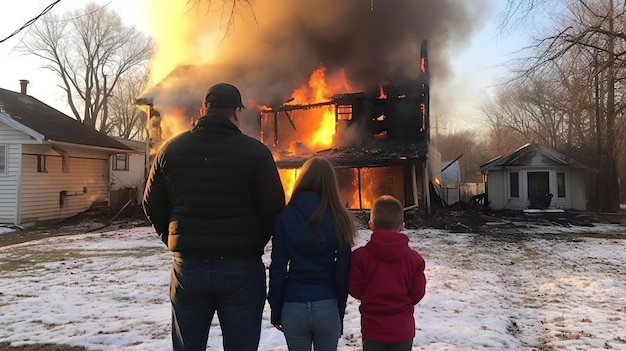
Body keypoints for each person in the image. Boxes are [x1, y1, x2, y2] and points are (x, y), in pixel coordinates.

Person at [142, 82, 285, 351]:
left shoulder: (169, 151)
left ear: (203, 109)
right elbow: (274, 209)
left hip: (188, 268)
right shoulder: (256, 153)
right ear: (237, 112)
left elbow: (151, 205)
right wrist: (254, 241)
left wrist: (172, 237)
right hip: (241, 267)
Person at [268, 156, 356, 351]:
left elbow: (278, 268)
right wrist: (338, 311)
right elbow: (342, 272)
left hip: (293, 305)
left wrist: (276, 309)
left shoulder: (285, 217)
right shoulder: (340, 218)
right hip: (327, 304)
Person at [348, 195, 427, 351]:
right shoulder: (414, 260)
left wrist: (369, 297)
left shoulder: (360, 257)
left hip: (372, 329)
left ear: (371, 225)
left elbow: (354, 288)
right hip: (402, 330)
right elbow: (417, 293)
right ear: (402, 226)